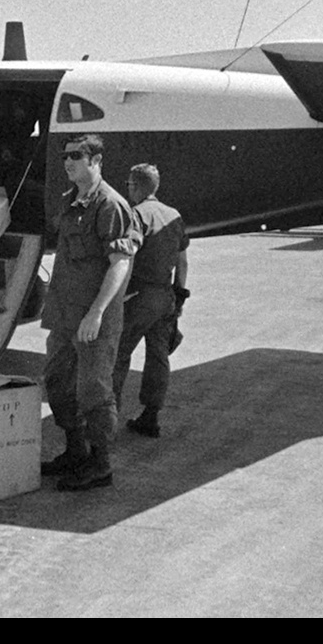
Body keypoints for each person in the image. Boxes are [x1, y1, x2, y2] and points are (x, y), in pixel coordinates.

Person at [41, 133, 141, 491]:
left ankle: (100, 464)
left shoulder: (109, 205)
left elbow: (119, 265)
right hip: (65, 315)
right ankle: (75, 450)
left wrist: (96, 313)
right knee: (56, 382)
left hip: (92, 320)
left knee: (93, 391)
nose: (68, 162)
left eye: (76, 156)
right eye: (65, 156)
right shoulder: (72, 201)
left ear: (96, 161)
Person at [112, 163, 189, 439]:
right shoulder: (174, 215)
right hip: (166, 297)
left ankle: (107, 419)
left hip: (139, 297)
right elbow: (182, 261)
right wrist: (179, 296)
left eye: (130, 185)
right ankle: (151, 415)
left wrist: (116, 296)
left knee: (118, 355)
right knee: (158, 357)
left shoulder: (136, 215)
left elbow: (127, 257)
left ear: (137, 186)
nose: (127, 189)